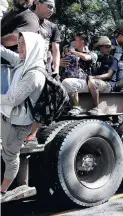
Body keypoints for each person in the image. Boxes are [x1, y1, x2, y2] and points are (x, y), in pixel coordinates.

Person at [1, 32, 46, 202]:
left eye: (23, 44)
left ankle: (3, 190)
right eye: (19, 43)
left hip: (18, 122)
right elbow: (8, 55)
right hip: (6, 115)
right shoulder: (23, 63)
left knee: (10, 155)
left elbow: (13, 99)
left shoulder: (34, 73)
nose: (19, 47)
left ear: (34, 47)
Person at [24, 0, 60, 146]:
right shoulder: (24, 18)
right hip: (23, 67)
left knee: (41, 102)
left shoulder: (52, 27)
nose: (52, 10)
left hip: (44, 70)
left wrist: (56, 70)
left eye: (53, 8)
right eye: (49, 6)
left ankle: (32, 136)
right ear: (38, 3)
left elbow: (55, 50)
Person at [61, 33, 98, 116]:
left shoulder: (93, 54)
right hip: (75, 82)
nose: (74, 42)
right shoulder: (72, 54)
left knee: (67, 82)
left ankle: (77, 107)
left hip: (88, 83)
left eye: (76, 40)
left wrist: (73, 52)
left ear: (82, 41)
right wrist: (60, 62)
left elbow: (86, 58)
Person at [86, 36, 118, 115]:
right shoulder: (96, 58)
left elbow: (109, 75)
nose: (108, 49)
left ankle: (96, 108)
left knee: (92, 82)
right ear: (100, 47)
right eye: (106, 47)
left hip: (108, 84)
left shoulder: (113, 60)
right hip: (95, 84)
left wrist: (93, 77)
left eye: (109, 47)